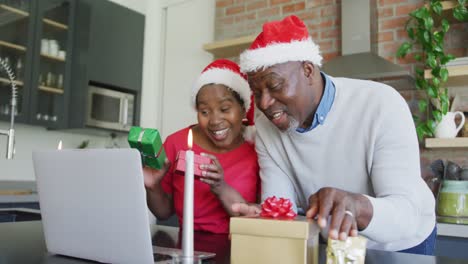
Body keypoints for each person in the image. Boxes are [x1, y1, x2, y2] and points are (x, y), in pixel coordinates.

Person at [232, 15, 436, 255]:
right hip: (333, 243)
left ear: (308, 70)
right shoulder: (266, 124)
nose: (264, 103)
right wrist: (267, 216)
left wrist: (356, 206)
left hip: (400, 246)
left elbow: (407, 216)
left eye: (275, 86)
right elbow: (282, 205)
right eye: (257, 91)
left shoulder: (382, 104)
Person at [144, 59, 259, 234]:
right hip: (188, 250)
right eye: (204, 111)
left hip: (241, 249)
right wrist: (153, 187)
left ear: (243, 108)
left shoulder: (258, 149)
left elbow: (262, 220)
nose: (214, 121)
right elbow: (164, 212)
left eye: (225, 109)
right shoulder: (176, 143)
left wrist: (220, 187)